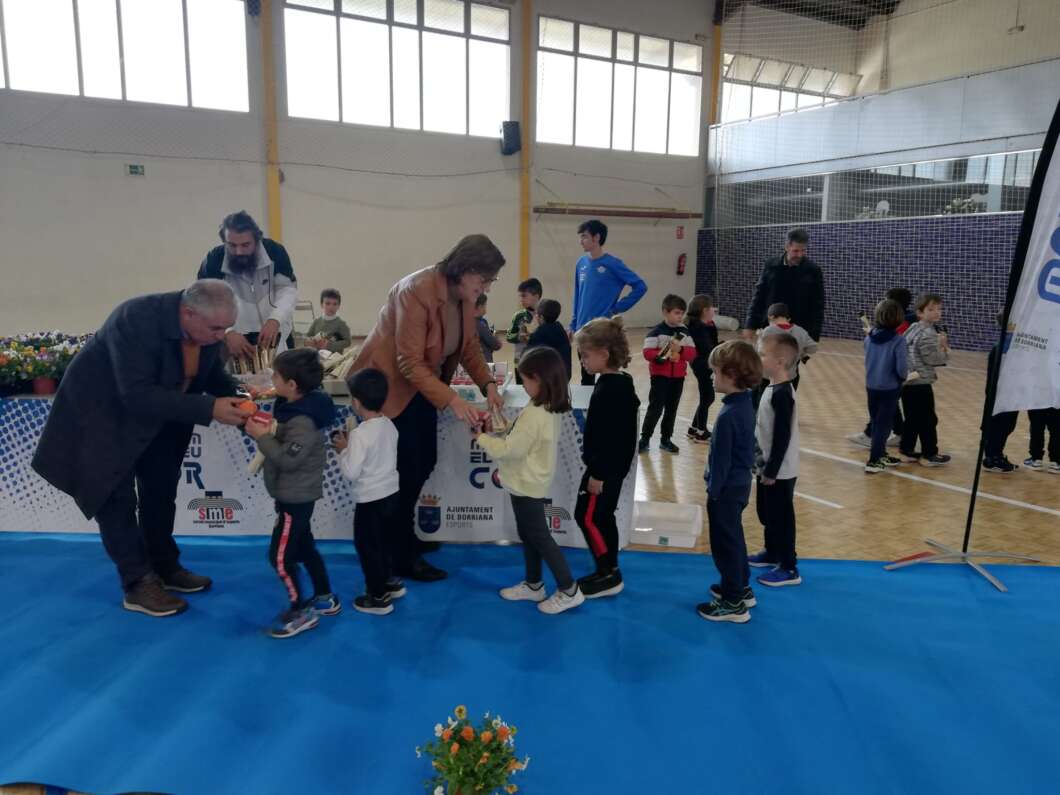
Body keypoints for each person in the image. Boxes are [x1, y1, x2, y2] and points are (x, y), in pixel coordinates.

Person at [31, 281, 254, 616]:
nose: (222, 336)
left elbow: (208, 375)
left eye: (227, 328)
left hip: (160, 418)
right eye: (216, 328)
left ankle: (164, 566)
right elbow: (136, 395)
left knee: (161, 490)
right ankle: (137, 583)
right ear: (187, 313)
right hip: (101, 418)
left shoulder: (206, 333)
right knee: (116, 500)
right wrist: (210, 408)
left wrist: (242, 395)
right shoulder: (134, 319)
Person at [350, 234, 506, 583]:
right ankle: (400, 552)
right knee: (406, 469)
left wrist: (489, 385)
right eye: (485, 280)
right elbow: (408, 362)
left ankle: (402, 537)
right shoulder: (416, 290)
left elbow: (468, 347)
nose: (486, 288)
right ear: (465, 270)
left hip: (422, 384)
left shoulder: (463, 297)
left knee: (423, 461)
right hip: (390, 387)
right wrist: (452, 400)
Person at [476, 347, 583, 615]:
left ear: (539, 379)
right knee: (529, 534)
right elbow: (521, 440)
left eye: (525, 380)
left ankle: (569, 590)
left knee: (540, 537)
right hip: (525, 481)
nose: (523, 386)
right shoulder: (542, 406)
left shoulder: (536, 413)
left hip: (527, 484)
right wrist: (504, 429)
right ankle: (534, 584)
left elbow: (509, 450)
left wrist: (479, 437)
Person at [244, 348, 339, 638]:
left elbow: (288, 459)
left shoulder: (303, 421)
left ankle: (300, 613)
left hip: (294, 499)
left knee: (280, 558)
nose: (272, 380)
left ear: (292, 385)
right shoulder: (293, 407)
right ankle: (325, 597)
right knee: (305, 547)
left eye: (276, 376)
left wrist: (262, 438)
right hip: (293, 495)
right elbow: (280, 439)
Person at [573, 317, 640, 598]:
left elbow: (613, 437)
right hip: (606, 467)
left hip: (604, 469)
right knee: (599, 516)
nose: (582, 361)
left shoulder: (611, 390)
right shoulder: (617, 382)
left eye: (585, 355)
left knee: (589, 517)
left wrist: (598, 474)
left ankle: (609, 573)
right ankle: (607, 568)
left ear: (604, 354)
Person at [696, 340, 761, 624]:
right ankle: (740, 587)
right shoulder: (744, 403)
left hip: (725, 490)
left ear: (731, 375)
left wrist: (713, 490)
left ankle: (733, 602)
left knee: (725, 544)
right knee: (735, 538)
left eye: (715, 372)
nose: (712, 377)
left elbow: (721, 460)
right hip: (739, 486)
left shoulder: (727, 416)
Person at [333, 369, 405, 614]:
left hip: (370, 500)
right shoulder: (389, 425)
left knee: (368, 548)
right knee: (385, 543)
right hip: (392, 494)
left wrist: (343, 450)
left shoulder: (360, 435)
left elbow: (351, 472)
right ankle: (390, 582)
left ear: (355, 402)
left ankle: (377, 597)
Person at [197, 210, 298, 359]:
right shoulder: (214, 260)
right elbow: (204, 301)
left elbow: (287, 289)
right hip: (233, 343)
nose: (238, 251)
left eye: (245, 245)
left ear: (257, 240)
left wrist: (275, 319)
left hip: (276, 336)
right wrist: (227, 332)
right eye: (232, 245)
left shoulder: (275, 252)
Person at [750, 333, 802, 587]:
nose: (757, 359)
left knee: (781, 517)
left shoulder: (782, 394)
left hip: (779, 471)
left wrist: (771, 470)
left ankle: (789, 566)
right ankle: (772, 551)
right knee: (767, 513)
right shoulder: (770, 387)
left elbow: (782, 435)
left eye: (762, 355)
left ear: (779, 361)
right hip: (766, 467)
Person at [571, 219, 648, 385]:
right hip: (582, 330)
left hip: (603, 330)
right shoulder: (581, 264)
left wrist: (617, 308)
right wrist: (573, 324)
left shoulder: (613, 263)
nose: (580, 241)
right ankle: (590, 402)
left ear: (596, 237)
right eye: (580, 237)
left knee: (608, 374)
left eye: (584, 236)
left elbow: (640, 286)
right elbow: (577, 296)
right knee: (586, 377)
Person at [742, 227, 825, 345]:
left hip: (798, 329)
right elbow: (759, 296)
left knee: (792, 357)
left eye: (803, 250)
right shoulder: (771, 266)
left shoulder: (813, 271)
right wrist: (750, 324)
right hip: (770, 326)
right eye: (796, 251)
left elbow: (818, 305)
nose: (800, 255)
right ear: (786, 247)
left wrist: (813, 335)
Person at [638, 294, 697, 454]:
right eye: (677, 313)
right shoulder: (656, 332)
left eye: (682, 313)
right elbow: (647, 352)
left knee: (672, 409)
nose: (680, 316)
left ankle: (666, 439)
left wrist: (681, 351)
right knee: (655, 408)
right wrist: (664, 355)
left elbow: (692, 353)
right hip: (660, 377)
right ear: (665, 312)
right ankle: (645, 439)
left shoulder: (684, 332)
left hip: (678, 378)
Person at [900, 293, 951, 467]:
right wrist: (943, 347)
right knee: (928, 420)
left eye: (939, 309)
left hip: (908, 380)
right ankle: (929, 454)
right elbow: (933, 359)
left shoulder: (913, 327)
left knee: (912, 418)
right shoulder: (929, 333)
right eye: (931, 309)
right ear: (920, 312)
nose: (937, 312)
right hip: (920, 382)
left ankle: (906, 450)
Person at [862, 299, 908, 474]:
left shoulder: (869, 337)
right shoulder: (898, 341)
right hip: (889, 388)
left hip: (871, 386)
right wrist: (903, 378)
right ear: (899, 319)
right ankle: (874, 460)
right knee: (884, 425)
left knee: (876, 421)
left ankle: (881, 454)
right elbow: (901, 368)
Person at [982, 311, 1019, 474]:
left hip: (1009, 395)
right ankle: (992, 457)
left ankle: (997, 454)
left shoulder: (1010, 345)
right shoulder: (1004, 347)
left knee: (1007, 426)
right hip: (1001, 396)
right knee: (1000, 426)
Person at [685, 294, 718, 444]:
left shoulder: (706, 325)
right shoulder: (697, 327)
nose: (714, 310)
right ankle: (701, 432)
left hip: (704, 363)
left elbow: (712, 344)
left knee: (707, 396)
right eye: (712, 308)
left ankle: (694, 428)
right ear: (704, 310)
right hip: (702, 364)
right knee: (708, 396)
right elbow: (707, 348)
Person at [527, 298, 572, 381]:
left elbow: (528, 357)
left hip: (547, 379)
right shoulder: (560, 328)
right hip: (564, 376)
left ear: (541, 317)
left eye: (536, 314)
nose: (535, 317)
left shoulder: (538, 334)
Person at [507, 278, 542, 382]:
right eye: (520, 296)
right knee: (521, 389)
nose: (521, 299)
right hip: (520, 363)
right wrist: (519, 337)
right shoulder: (518, 316)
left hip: (539, 363)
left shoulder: (544, 315)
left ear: (536, 296)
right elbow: (509, 337)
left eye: (524, 296)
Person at [305, 288, 353, 353]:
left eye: (335, 304)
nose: (331, 307)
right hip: (318, 355)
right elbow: (308, 336)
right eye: (327, 303)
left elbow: (348, 342)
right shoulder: (316, 321)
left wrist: (329, 345)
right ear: (321, 305)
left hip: (334, 357)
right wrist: (309, 341)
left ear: (338, 306)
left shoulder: (341, 324)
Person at [1025, 408, 1060, 473]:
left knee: (1036, 428)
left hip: (1038, 405)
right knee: (1056, 431)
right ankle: (1055, 462)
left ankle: (1036, 459)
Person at [475, 293, 503, 364]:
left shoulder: (464, 323)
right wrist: (497, 339)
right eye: (485, 305)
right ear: (480, 307)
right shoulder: (480, 325)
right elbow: (496, 344)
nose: (485, 308)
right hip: (483, 363)